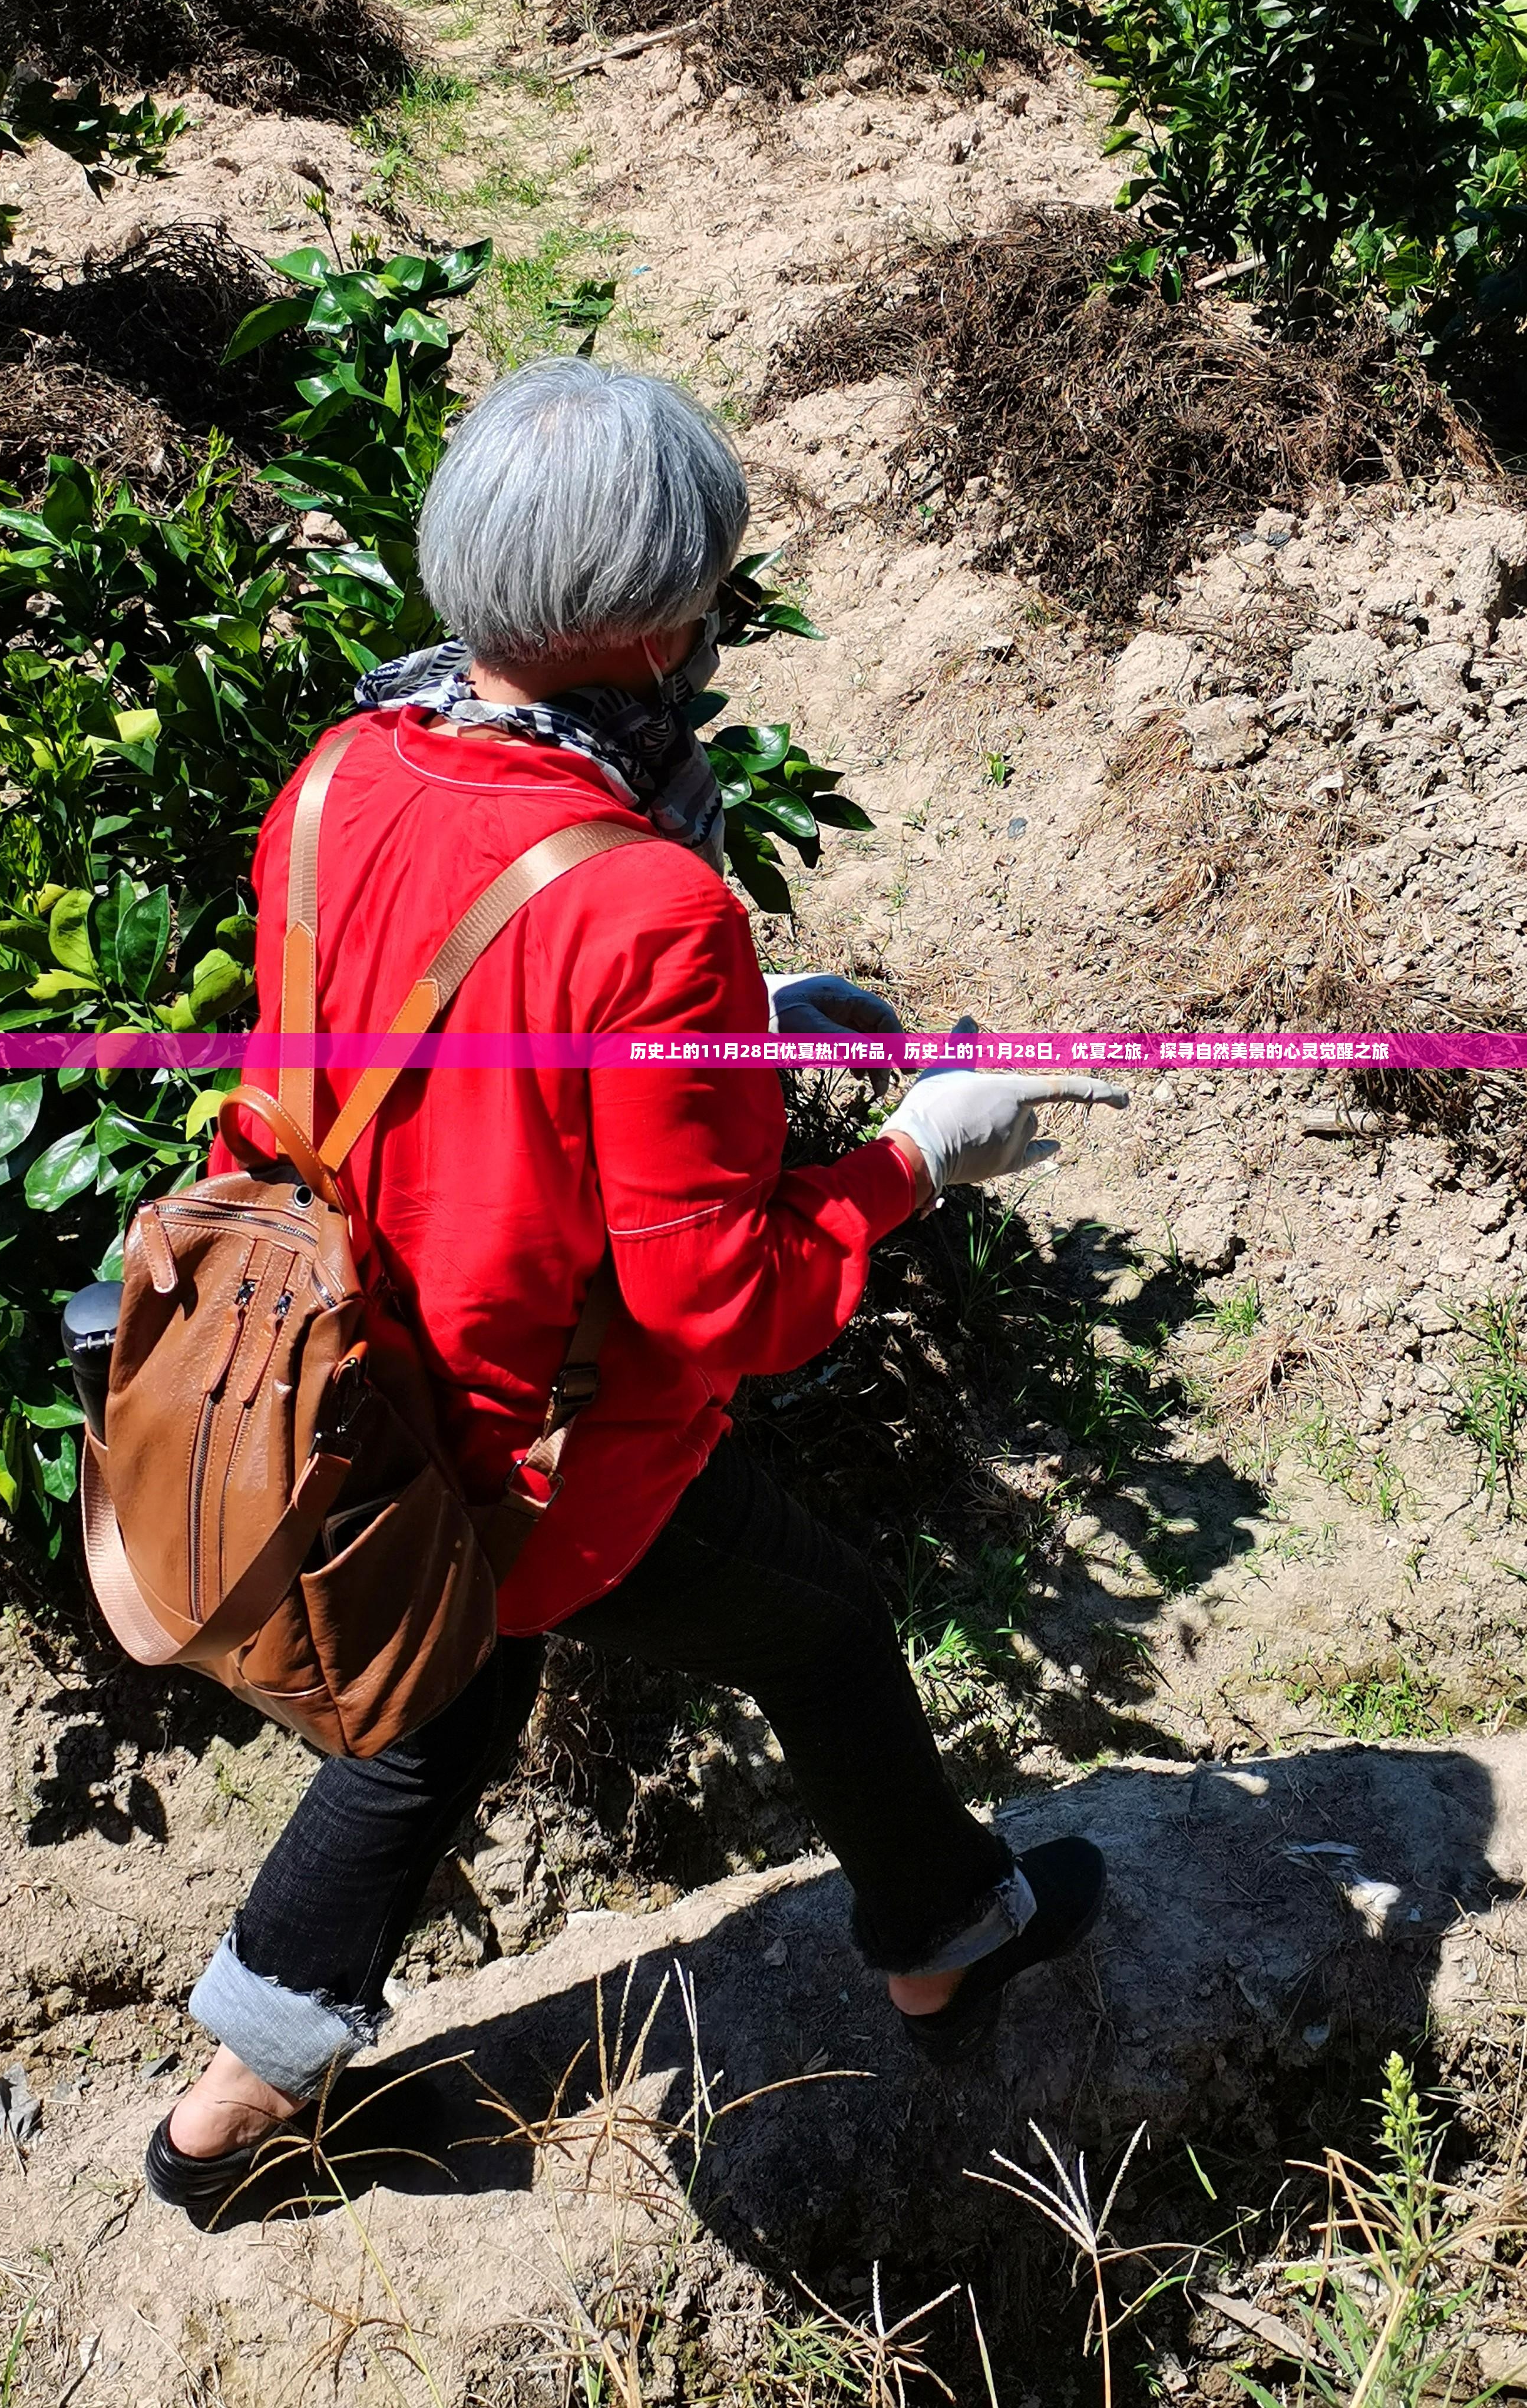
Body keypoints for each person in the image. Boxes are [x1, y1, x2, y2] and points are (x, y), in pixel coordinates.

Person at [143, 355, 1125, 2227]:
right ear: (670, 612)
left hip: (344, 1383)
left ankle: (221, 2124)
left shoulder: (344, 769)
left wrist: (744, 1043)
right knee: (821, 1623)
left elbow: (454, 1057)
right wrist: (922, 1156)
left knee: (434, 1722)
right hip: (530, 1444)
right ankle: (938, 1939)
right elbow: (717, 1310)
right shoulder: (651, 901)